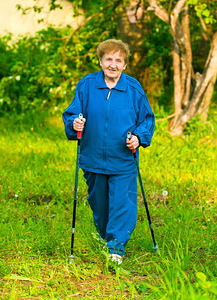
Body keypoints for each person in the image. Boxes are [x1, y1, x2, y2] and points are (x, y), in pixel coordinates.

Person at [62, 39, 155, 267]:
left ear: (124, 64)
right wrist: (74, 123)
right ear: (101, 61)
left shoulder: (133, 88)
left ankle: (116, 247)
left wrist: (138, 137)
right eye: (109, 59)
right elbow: (71, 114)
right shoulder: (86, 85)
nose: (113, 64)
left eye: (118, 60)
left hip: (123, 159)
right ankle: (105, 236)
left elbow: (146, 120)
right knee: (98, 203)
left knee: (122, 203)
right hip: (92, 158)